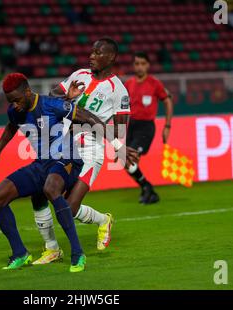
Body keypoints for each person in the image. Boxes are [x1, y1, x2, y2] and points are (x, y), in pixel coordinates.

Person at [0, 73, 111, 272]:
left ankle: (77, 254)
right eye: (10, 102)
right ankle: (20, 253)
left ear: (28, 92)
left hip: (68, 160)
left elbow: (87, 117)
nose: (15, 105)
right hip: (42, 164)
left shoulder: (52, 105)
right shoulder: (15, 111)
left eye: (17, 100)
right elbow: (11, 126)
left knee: (50, 188)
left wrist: (116, 143)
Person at [29, 38, 138, 265]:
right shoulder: (79, 74)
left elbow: (119, 129)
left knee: (68, 207)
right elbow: (52, 95)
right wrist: (66, 96)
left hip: (90, 152)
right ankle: (51, 248)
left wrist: (119, 148)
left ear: (111, 58)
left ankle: (102, 220)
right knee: (45, 191)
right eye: (92, 52)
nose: (92, 56)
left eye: (98, 53)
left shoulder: (118, 90)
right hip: (64, 146)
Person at [123, 52, 174, 204]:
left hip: (145, 128)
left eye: (143, 63)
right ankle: (147, 189)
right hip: (131, 125)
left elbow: (168, 101)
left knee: (129, 160)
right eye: (137, 63)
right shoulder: (129, 84)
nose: (139, 67)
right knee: (124, 161)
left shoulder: (154, 83)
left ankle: (147, 188)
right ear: (133, 65)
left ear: (148, 65)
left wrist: (167, 126)